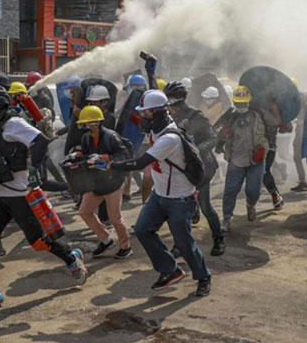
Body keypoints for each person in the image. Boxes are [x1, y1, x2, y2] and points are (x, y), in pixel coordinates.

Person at [0, 85, 88, 311]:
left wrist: (34, 169)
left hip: (21, 195)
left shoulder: (13, 124)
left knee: (39, 242)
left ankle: (71, 258)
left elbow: (40, 141)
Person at [106, 90, 211, 297]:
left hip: (180, 198)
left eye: (146, 114)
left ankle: (203, 276)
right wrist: (151, 72)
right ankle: (170, 270)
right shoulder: (157, 127)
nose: (142, 118)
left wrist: (110, 165)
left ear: (158, 113)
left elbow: (140, 163)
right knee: (144, 229)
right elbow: (155, 96)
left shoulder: (169, 139)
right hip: (160, 195)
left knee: (184, 243)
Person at [164, 81, 226, 256]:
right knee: (178, 211)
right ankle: (179, 245)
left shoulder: (195, 116)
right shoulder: (168, 118)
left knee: (206, 206)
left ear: (182, 100)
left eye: (172, 101)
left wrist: (196, 150)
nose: (169, 105)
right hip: (180, 170)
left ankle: (219, 238)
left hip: (201, 168)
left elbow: (213, 138)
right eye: (167, 101)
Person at [71, 105, 133, 259]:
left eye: (87, 124)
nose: (84, 127)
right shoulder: (86, 138)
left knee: (114, 218)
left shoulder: (111, 136)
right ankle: (105, 240)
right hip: (96, 183)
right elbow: (85, 154)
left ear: (96, 123)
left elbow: (124, 156)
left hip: (113, 183)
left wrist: (104, 158)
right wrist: (76, 155)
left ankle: (126, 247)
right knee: (84, 211)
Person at [214, 86, 269, 231]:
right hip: (236, 159)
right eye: (238, 104)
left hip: (256, 159)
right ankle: (226, 218)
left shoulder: (259, 114)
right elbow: (217, 130)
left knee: (253, 190)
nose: (241, 106)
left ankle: (251, 205)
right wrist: (219, 143)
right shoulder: (229, 116)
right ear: (234, 102)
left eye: (243, 104)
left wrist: (271, 145)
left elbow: (272, 127)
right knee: (230, 190)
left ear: (249, 102)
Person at [291, 81, 307, 192]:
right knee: (302, 156)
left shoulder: (301, 96)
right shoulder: (296, 97)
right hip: (300, 129)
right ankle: (302, 181)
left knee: (301, 156)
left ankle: (303, 182)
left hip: (302, 130)